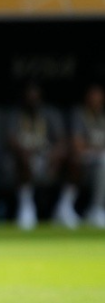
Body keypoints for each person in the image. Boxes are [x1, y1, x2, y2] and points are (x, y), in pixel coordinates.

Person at [8, 83, 74, 230]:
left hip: (47, 156)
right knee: (22, 158)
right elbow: (10, 141)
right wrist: (25, 152)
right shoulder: (16, 114)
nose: (32, 100)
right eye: (29, 97)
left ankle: (64, 207)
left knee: (72, 158)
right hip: (24, 158)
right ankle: (26, 206)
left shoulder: (50, 114)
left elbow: (61, 140)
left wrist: (54, 156)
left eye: (35, 97)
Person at [70, 84, 105, 228]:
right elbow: (78, 145)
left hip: (99, 158)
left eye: (98, 98)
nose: (95, 101)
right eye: (93, 98)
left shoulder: (102, 117)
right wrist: (97, 149)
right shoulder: (79, 115)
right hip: (85, 160)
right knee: (103, 159)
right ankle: (96, 208)